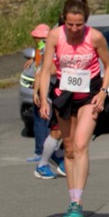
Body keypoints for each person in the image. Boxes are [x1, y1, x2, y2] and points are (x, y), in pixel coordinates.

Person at [35, 0, 109, 217]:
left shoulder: (95, 37)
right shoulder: (55, 35)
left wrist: (103, 92)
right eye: (70, 24)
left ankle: (78, 203)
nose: (74, 29)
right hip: (64, 95)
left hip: (89, 94)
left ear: (85, 21)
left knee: (80, 144)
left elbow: (108, 67)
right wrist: (44, 99)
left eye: (79, 24)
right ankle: (72, 201)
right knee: (69, 149)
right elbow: (45, 69)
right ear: (64, 20)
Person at [27, 23, 67, 179]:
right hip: (54, 94)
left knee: (70, 129)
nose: (37, 40)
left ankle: (57, 157)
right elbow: (41, 72)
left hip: (67, 93)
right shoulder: (48, 48)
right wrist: (37, 94)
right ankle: (46, 161)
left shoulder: (47, 48)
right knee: (58, 129)